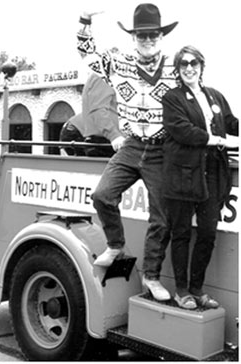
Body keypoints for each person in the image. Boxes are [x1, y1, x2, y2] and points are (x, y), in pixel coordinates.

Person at [77, 3, 178, 301]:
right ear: (133, 37)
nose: (148, 40)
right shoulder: (116, 62)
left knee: (162, 216)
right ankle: (115, 244)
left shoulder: (176, 66)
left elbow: (196, 94)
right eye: (142, 35)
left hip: (161, 150)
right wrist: (85, 20)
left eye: (153, 35)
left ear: (161, 36)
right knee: (102, 195)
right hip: (131, 145)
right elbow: (87, 53)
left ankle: (152, 277)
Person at [162, 45, 239, 309]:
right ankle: (181, 290)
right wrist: (216, 139)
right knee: (181, 233)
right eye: (183, 64)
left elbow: (230, 122)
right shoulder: (172, 98)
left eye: (194, 63)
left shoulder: (214, 96)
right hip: (183, 175)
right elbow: (182, 130)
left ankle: (197, 288)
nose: (189, 68)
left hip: (212, 175)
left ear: (201, 66)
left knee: (207, 233)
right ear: (178, 69)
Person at [60, 73, 120, 157]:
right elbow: (98, 110)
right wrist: (114, 136)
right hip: (76, 130)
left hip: (79, 128)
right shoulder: (102, 79)